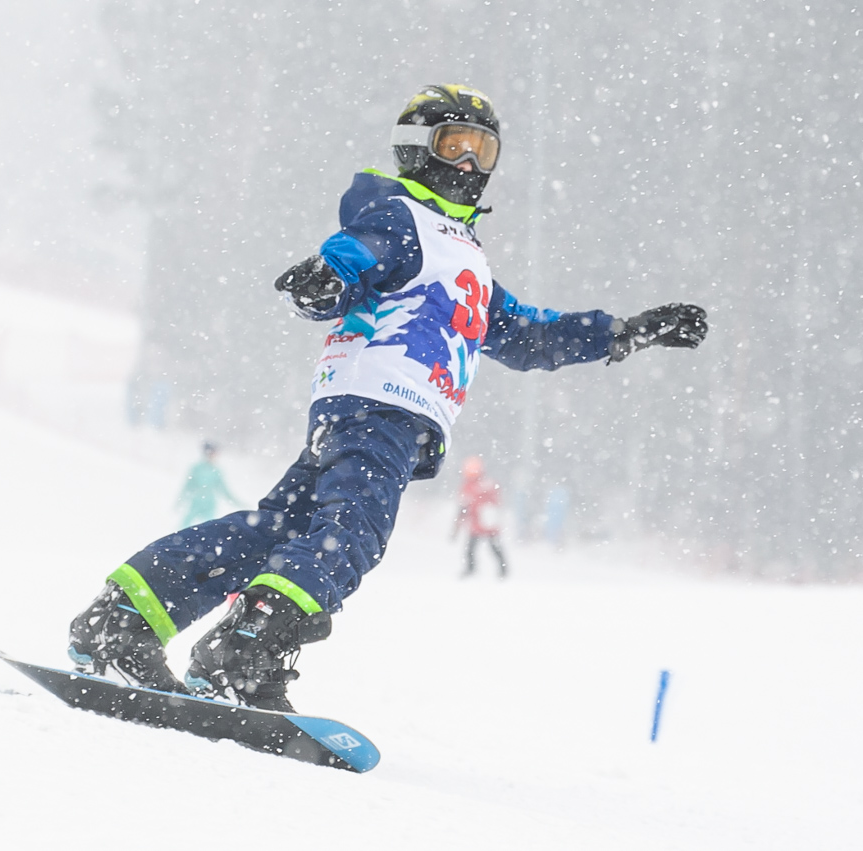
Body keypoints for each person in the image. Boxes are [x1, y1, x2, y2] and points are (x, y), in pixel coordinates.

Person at [66, 83, 707, 712]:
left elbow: (528, 336)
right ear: (416, 147)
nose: (467, 164)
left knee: (283, 532)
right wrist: (327, 277)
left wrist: (624, 333)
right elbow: (359, 251)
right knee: (351, 536)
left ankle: (126, 619)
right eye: (453, 145)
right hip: (383, 408)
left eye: (482, 151)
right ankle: (243, 654)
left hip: (363, 412)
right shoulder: (403, 217)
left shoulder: (465, 255)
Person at [453, 456, 508, 578]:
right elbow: (496, 502)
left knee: (473, 548)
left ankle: (471, 569)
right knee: (492, 547)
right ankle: (502, 569)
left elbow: (463, 507)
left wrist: (457, 526)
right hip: (486, 523)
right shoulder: (488, 484)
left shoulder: (470, 486)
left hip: (480, 523)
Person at [177, 441, 238, 527]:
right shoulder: (197, 468)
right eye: (212, 453)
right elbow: (188, 486)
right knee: (185, 524)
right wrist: (180, 501)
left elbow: (224, 490)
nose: (214, 455)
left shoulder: (216, 471)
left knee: (210, 526)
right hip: (197, 500)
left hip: (210, 503)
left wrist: (237, 502)